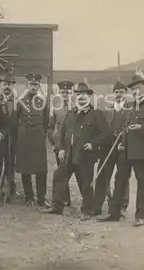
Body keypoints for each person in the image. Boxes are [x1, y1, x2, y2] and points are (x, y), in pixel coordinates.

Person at [100, 69, 144, 227]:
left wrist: (142, 127)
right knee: (120, 180)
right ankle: (114, 213)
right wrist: (123, 141)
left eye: (138, 88)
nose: (136, 91)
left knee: (142, 183)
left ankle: (139, 215)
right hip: (126, 151)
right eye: (133, 89)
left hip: (142, 153)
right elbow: (125, 126)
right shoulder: (129, 105)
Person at [42, 82, 110, 220]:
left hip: (85, 155)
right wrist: (61, 148)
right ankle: (57, 206)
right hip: (68, 154)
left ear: (89, 97)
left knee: (86, 183)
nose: (81, 97)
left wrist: (92, 143)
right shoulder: (70, 113)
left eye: (84, 95)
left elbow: (105, 134)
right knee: (59, 177)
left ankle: (87, 211)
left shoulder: (96, 114)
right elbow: (62, 132)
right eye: (78, 95)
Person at [93, 80, 130, 216]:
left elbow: (131, 128)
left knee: (122, 176)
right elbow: (102, 128)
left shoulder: (130, 109)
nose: (119, 94)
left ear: (126, 93)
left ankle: (122, 206)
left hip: (123, 147)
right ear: (113, 93)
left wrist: (124, 143)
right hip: (108, 147)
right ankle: (98, 205)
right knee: (103, 175)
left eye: (122, 92)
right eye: (117, 92)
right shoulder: (107, 109)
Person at [14, 73, 50, 207]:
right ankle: (29, 197)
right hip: (24, 138)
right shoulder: (21, 100)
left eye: (36, 84)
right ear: (26, 85)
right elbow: (15, 119)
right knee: (25, 168)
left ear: (39, 85)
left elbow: (46, 121)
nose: (33, 86)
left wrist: (40, 133)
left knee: (41, 169)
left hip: (38, 137)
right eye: (31, 84)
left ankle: (41, 198)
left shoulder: (43, 101)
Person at [47, 80, 74, 206]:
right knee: (62, 170)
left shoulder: (76, 107)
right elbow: (50, 127)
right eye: (63, 92)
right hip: (60, 145)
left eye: (67, 92)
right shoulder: (55, 108)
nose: (65, 94)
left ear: (71, 92)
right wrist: (53, 143)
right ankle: (65, 199)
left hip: (73, 144)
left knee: (71, 171)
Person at [0, 73, 18, 202]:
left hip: (13, 137)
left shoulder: (18, 102)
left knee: (10, 163)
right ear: (1, 85)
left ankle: (9, 189)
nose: (6, 87)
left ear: (13, 85)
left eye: (9, 84)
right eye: (4, 84)